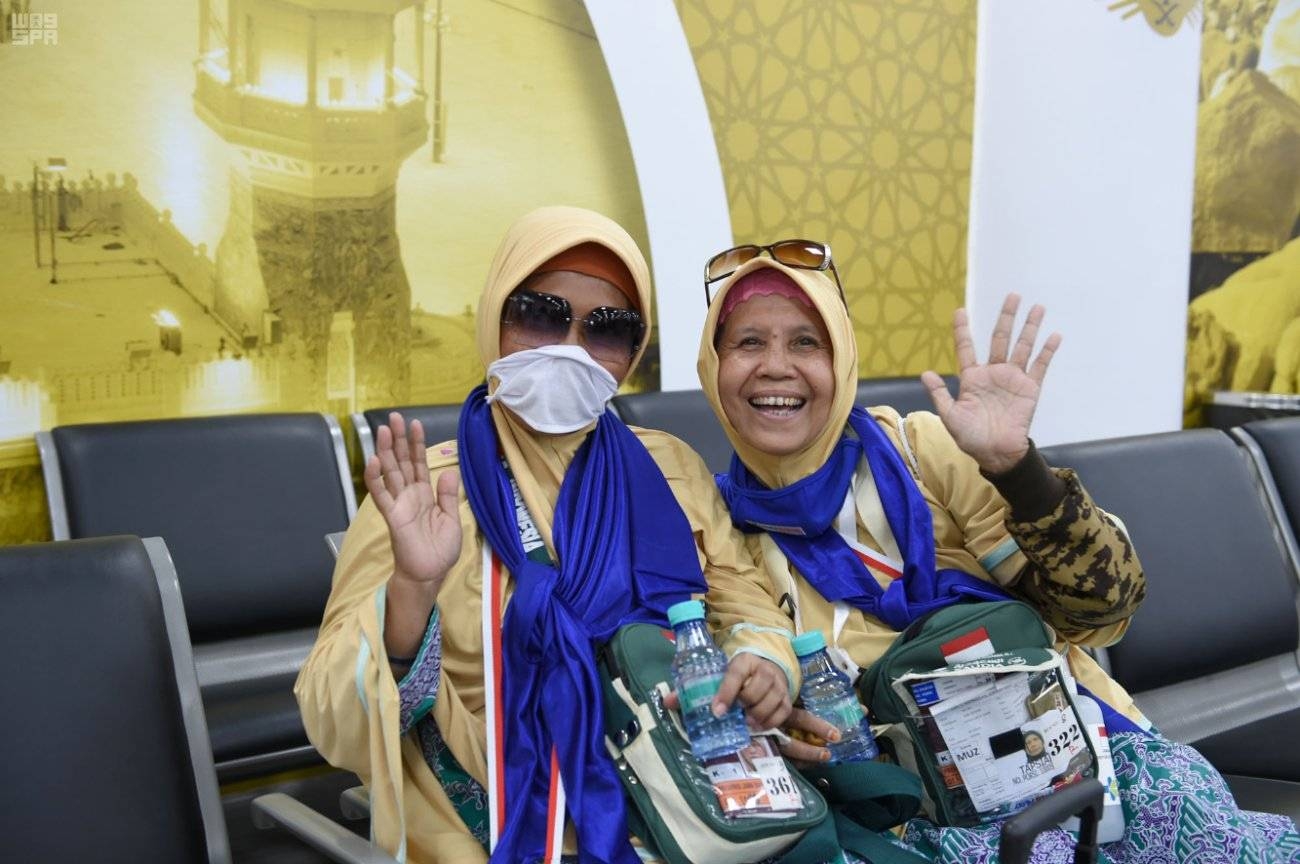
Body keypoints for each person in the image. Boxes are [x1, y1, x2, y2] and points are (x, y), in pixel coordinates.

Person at [695, 244, 1300, 861]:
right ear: (712, 366)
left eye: (805, 342)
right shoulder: (729, 532)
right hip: (928, 821)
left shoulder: (919, 451)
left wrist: (1019, 473)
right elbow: (757, 649)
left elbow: (1101, 612)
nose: (776, 366)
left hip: (1089, 766)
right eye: (748, 343)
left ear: (843, 357)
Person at [295, 207, 802, 864]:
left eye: (608, 327)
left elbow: (744, 598)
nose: (571, 344)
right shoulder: (427, 494)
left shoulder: (669, 467)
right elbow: (333, 720)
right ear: (494, 317)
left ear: (635, 351)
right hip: (484, 825)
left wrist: (764, 660)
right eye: (539, 313)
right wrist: (413, 590)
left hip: (681, 805)